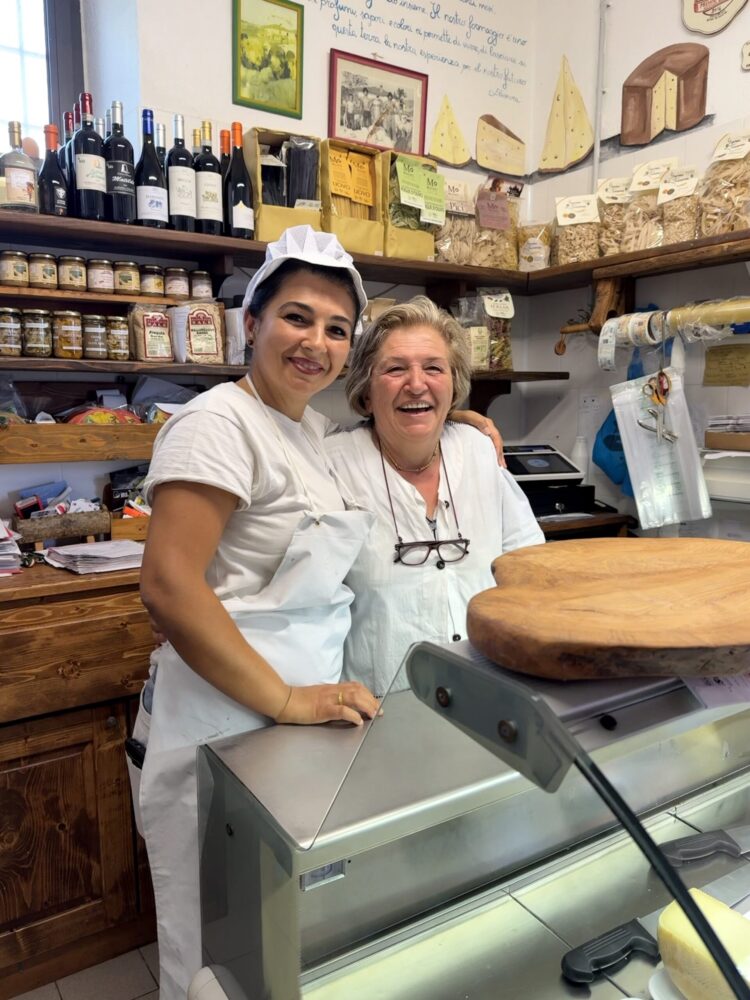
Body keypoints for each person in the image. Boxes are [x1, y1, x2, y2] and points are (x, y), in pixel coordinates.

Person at [129, 227, 501, 999]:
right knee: (210, 953)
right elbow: (169, 586)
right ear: (250, 323)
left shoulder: (306, 430)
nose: (316, 343)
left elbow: (392, 430)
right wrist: (288, 700)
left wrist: (460, 422)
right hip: (216, 726)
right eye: (297, 318)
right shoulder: (216, 424)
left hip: (282, 736)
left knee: (270, 947)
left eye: (337, 328)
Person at [325, 296, 545, 697]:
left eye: (433, 368)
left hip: (490, 692)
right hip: (382, 707)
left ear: (453, 383)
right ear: (366, 390)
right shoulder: (333, 465)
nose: (416, 383)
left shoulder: (479, 451)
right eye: (395, 369)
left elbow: (529, 570)